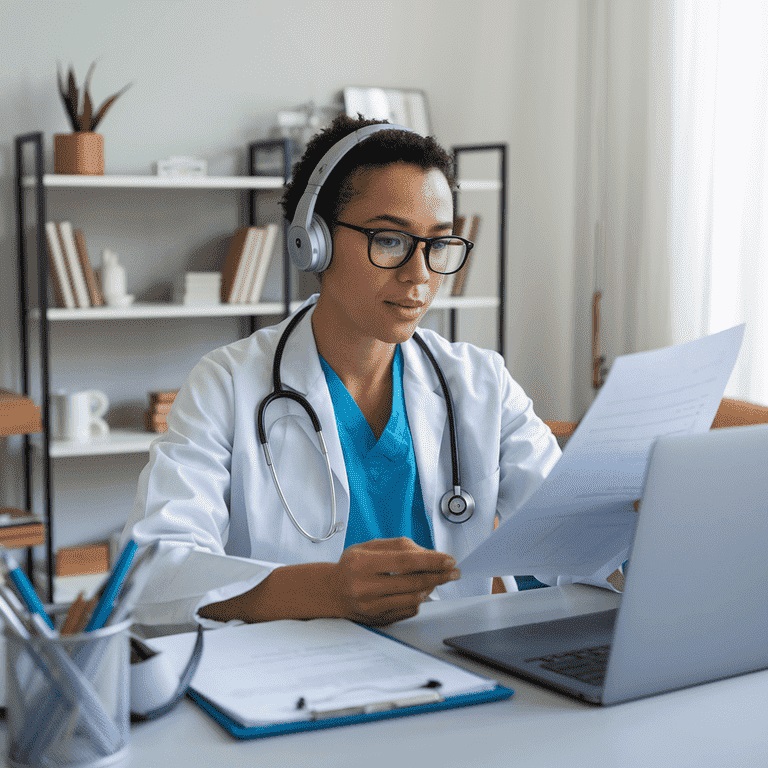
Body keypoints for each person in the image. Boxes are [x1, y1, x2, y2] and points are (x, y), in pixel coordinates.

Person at [121, 115, 561, 628]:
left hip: (458, 670)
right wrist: (323, 590)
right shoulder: (228, 384)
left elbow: (568, 529)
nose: (419, 274)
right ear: (315, 242)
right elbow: (155, 574)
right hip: (292, 682)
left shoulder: (480, 382)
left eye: (438, 244)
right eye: (391, 240)